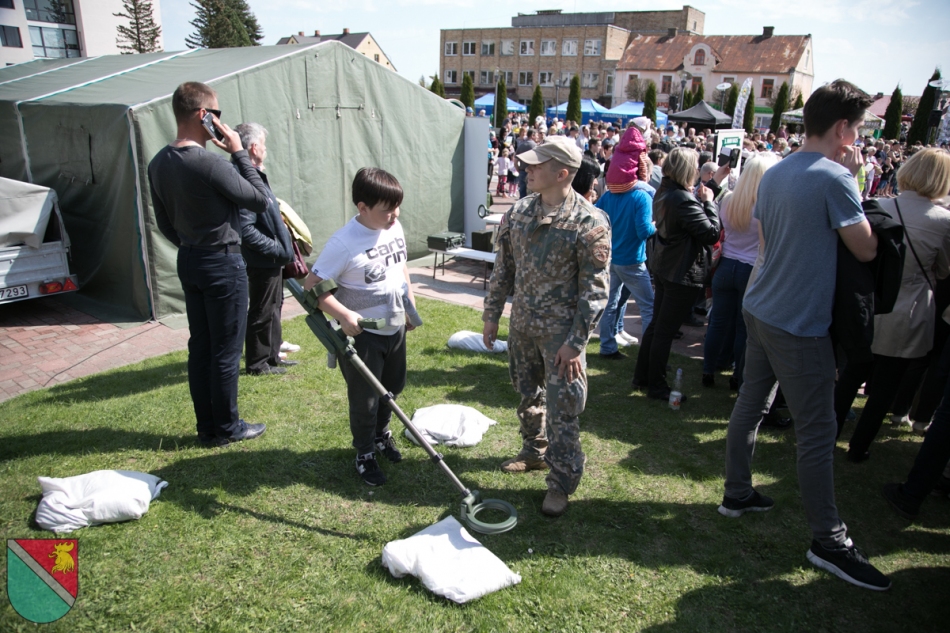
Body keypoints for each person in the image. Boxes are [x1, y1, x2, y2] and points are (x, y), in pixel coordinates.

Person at [720, 80, 890, 591]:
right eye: (858, 127)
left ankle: (736, 493)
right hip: (797, 322)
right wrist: (853, 179)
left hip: (761, 306)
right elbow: (866, 249)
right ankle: (828, 540)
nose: (859, 136)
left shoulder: (776, 169)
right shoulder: (836, 178)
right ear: (842, 128)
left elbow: (768, 240)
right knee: (817, 432)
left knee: (750, 403)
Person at [482, 137, 611, 517]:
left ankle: (561, 482)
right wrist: (492, 315)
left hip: (561, 337)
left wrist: (576, 342)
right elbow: (504, 268)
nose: (528, 170)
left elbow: (595, 290)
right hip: (523, 326)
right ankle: (533, 451)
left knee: (562, 410)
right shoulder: (520, 212)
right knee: (527, 395)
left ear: (562, 173)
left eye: (537, 165)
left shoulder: (589, 222)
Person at [148, 81, 270, 448]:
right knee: (226, 351)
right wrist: (239, 153)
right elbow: (260, 199)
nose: (221, 121)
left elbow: (164, 223)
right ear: (204, 115)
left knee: (200, 348)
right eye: (217, 114)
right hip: (222, 262)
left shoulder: (158, 162)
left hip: (190, 260)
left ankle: (207, 427)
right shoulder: (209, 162)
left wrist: (193, 245)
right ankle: (228, 428)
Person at [303, 168, 417, 486]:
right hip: (363, 335)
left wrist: (409, 307)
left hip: (395, 327)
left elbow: (401, 267)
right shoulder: (343, 243)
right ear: (362, 207)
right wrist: (343, 315)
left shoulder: (393, 227)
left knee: (392, 389)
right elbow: (311, 287)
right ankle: (364, 453)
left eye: (397, 207)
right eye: (387, 209)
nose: (395, 215)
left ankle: (381, 436)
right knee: (366, 400)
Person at [835, 148, 950, 461]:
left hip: (870, 304)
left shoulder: (878, 205)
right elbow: (944, 270)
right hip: (908, 310)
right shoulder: (943, 222)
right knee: (884, 386)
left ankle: (827, 436)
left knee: (852, 374)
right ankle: (859, 448)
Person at [632, 147, 719, 401]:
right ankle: (656, 386)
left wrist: (711, 190)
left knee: (657, 326)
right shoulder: (681, 198)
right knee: (664, 331)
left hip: (666, 266)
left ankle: (643, 376)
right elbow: (711, 233)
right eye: (695, 167)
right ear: (686, 169)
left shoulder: (666, 190)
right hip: (679, 272)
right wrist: (710, 203)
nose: (697, 171)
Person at [702, 154, 779, 389]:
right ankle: (737, 376)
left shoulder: (729, 200)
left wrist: (718, 176)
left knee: (717, 322)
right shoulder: (766, 206)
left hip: (725, 267)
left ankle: (708, 370)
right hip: (750, 270)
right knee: (742, 327)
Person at [234, 123, 296, 377]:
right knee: (262, 310)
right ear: (253, 147)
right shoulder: (244, 178)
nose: (266, 150)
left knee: (274, 306)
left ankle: (272, 356)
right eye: (264, 144)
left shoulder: (254, 174)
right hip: (262, 260)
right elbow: (245, 229)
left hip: (271, 259)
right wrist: (275, 249)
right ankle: (257, 364)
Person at [598, 125, 655, 359]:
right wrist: (657, 226)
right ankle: (650, 355)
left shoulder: (607, 196)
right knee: (648, 307)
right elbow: (644, 231)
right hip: (632, 260)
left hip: (611, 259)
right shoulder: (642, 196)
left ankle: (607, 347)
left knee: (610, 304)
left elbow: (596, 219)